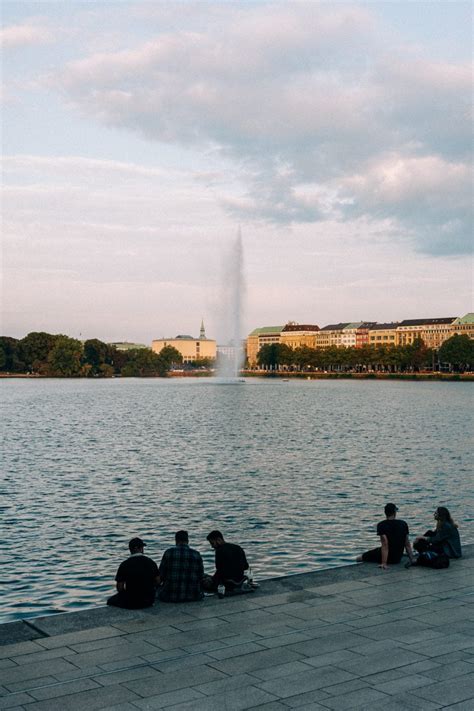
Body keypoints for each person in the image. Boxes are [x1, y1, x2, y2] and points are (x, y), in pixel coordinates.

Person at [356, 503, 415, 570]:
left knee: (359, 558)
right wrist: (412, 559)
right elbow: (407, 544)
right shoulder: (403, 524)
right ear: (395, 512)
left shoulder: (381, 525)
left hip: (387, 557)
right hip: (397, 558)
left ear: (385, 513)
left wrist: (384, 563)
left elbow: (385, 544)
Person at [107, 537, 159, 609]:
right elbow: (158, 581)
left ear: (130, 549)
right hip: (149, 601)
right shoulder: (151, 562)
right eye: (142, 547)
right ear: (138, 548)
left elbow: (120, 587)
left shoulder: (124, 564)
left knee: (110, 601)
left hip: (131, 602)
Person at [158, 530, 204, 602]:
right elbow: (201, 576)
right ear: (187, 541)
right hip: (193, 596)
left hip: (170, 596)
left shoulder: (168, 553)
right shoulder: (196, 554)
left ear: (176, 541)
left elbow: (161, 575)